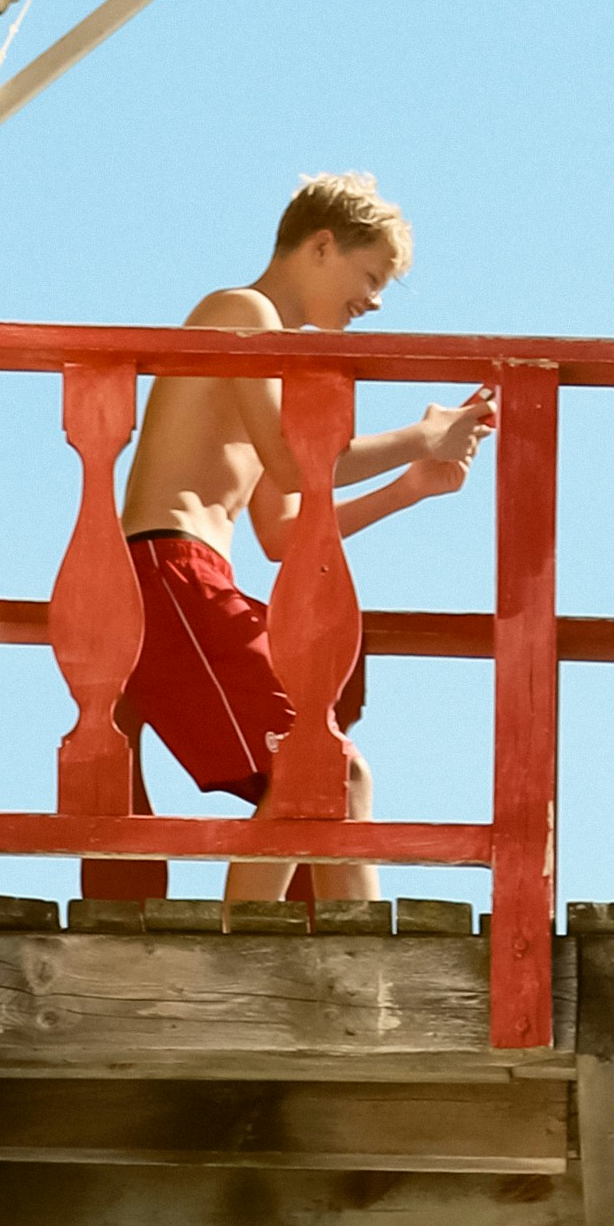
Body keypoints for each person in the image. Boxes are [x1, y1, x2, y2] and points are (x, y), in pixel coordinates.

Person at [111, 171, 492, 906]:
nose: (375, 300)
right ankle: (255, 953)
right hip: (167, 573)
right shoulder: (240, 310)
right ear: (322, 246)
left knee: (339, 777)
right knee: (323, 769)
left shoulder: (271, 347)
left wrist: (409, 488)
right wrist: (422, 435)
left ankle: (353, 964)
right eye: (371, 274)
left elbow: (285, 532)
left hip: (194, 576)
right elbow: (296, 461)